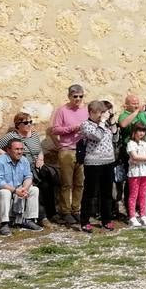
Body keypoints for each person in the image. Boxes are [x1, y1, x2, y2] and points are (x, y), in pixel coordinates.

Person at [0, 137, 41, 235]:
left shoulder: (24, 160)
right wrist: (15, 191)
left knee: (34, 190)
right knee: (5, 193)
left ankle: (28, 220)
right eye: (17, 149)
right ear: (8, 150)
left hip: (15, 189)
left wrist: (24, 189)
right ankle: (4, 224)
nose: (20, 152)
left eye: (21, 149)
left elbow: (28, 176)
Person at [51, 85, 88, 226]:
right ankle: (65, 212)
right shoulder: (62, 111)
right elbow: (55, 130)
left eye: (80, 96)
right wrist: (73, 128)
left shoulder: (86, 110)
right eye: (75, 96)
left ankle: (76, 210)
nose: (77, 99)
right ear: (69, 96)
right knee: (67, 183)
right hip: (67, 150)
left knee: (80, 183)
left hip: (82, 150)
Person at [79, 101, 117, 233]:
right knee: (90, 193)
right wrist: (102, 122)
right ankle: (84, 221)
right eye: (99, 112)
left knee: (107, 193)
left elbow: (115, 137)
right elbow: (97, 136)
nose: (102, 115)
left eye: (103, 112)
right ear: (91, 112)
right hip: (93, 163)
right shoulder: (85, 125)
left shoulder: (105, 124)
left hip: (108, 162)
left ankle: (106, 220)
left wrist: (111, 122)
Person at [125, 122, 146, 227]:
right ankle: (132, 216)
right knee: (134, 194)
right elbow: (134, 156)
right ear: (134, 131)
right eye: (139, 130)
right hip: (135, 172)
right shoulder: (130, 143)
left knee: (143, 194)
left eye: (143, 131)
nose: (141, 133)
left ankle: (143, 215)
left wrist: (143, 157)